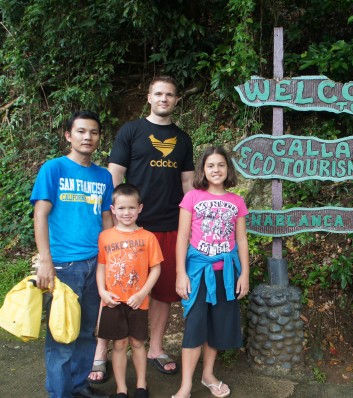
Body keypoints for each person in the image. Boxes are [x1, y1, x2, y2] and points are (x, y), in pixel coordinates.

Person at [89, 75, 194, 382]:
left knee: (162, 294)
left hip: (168, 226)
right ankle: (100, 353)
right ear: (149, 97)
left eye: (170, 95)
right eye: (158, 93)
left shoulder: (183, 139)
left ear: (176, 100)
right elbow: (114, 177)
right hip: (130, 228)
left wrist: (190, 224)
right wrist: (116, 221)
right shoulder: (131, 131)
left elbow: (188, 184)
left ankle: (156, 349)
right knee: (115, 289)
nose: (164, 99)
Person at [31, 111, 113, 398]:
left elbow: (106, 220)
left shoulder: (103, 176)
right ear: (68, 135)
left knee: (88, 330)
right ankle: (60, 393)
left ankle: (79, 386)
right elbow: (40, 215)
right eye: (80, 131)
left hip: (96, 263)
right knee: (61, 334)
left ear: (99, 137)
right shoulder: (53, 169)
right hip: (65, 266)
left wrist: (110, 259)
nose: (87, 137)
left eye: (93, 132)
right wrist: (45, 261)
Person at [171, 146, 250, 398]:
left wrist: (244, 273)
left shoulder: (236, 201)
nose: (216, 170)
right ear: (202, 170)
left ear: (228, 169)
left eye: (221, 165)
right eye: (210, 165)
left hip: (225, 274)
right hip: (197, 273)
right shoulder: (192, 197)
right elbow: (182, 237)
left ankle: (207, 375)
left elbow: (242, 240)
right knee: (194, 326)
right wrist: (180, 273)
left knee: (216, 327)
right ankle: (185, 386)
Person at [96, 183, 163, 398]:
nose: (127, 213)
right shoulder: (105, 237)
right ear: (113, 209)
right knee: (119, 343)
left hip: (138, 301)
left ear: (140, 208)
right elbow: (101, 267)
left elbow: (156, 268)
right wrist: (102, 292)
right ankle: (121, 389)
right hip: (112, 301)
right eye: (122, 208)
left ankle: (142, 386)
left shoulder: (148, 237)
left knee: (137, 342)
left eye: (131, 208)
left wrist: (143, 293)